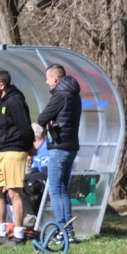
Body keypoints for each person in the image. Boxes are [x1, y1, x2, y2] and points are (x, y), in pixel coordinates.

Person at [0, 70, 34, 247]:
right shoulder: (2, 100)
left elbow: (25, 128)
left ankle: (19, 235)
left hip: (15, 150)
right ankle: (1, 234)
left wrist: (29, 149)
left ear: (1, 85)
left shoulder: (15, 100)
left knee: (13, 192)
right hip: (2, 151)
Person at [37, 64, 82, 242]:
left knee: (55, 190)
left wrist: (48, 122)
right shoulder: (74, 94)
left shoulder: (60, 95)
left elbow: (41, 118)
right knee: (63, 190)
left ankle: (61, 230)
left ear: (55, 79)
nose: (46, 82)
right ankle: (68, 231)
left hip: (59, 148)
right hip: (71, 146)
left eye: (47, 78)